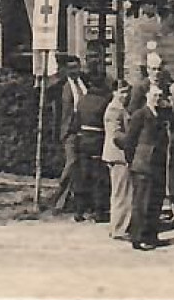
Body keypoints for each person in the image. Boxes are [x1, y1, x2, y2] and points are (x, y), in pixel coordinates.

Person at [120, 85, 173, 251]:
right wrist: (133, 161)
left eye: (160, 94)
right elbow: (129, 141)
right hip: (143, 164)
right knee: (141, 202)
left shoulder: (161, 115)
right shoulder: (140, 115)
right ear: (147, 96)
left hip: (158, 164)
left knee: (155, 201)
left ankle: (152, 236)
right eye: (155, 95)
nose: (158, 98)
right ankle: (137, 237)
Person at [47, 55, 91, 212]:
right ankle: (57, 196)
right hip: (70, 131)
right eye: (71, 68)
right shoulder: (61, 87)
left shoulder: (85, 82)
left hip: (85, 130)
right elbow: (56, 112)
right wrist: (59, 133)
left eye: (77, 67)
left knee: (83, 166)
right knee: (71, 162)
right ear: (65, 70)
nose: (75, 71)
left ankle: (71, 202)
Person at [72, 78, 112, 222]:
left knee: (83, 176)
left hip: (83, 141)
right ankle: (99, 211)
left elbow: (75, 123)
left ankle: (79, 210)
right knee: (99, 178)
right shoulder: (104, 102)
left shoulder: (82, 101)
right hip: (97, 140)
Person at [101, 81, 134, 241]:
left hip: (118, 155)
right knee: (121, 193)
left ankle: (117, 226)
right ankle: (119, 229)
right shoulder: (114, 109)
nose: (125, 95)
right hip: (118, 155)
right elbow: (116, 135)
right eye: (121, 92)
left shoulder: (120, 108)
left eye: (127, 92)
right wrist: (131, 140)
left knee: (121, 192)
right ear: (114, 92)